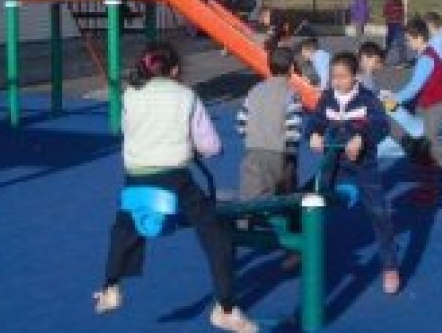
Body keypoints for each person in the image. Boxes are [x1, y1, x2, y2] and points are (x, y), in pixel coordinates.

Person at [94, 43, 256, 333]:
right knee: (215, 235)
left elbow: (129, 131)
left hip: (136, 177)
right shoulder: (186, 96)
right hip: (175, 180)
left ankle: (110, 287)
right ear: (176, 70)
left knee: (124, 227)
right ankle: (225, 308)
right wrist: (198, 149)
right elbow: (210, 145)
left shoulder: (130, 95)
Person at [306, 51, 401, 295]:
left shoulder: (367, 99)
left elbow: (381, 125)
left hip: (362, 165)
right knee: (313, 205)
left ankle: (390, 265)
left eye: (342, 77)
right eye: (333, 77)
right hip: (333, 163)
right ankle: (304, 249)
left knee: (378, 211)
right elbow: (316, 121)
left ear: (355, 76)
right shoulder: (327, 97)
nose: (337, 81)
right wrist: (314, 134)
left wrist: (361, 137)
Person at [393, 19, 442, 191]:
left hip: (438, 101)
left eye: (409, 39)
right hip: (428, 100)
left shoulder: (426, 59)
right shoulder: (425, 55)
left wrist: (394, 99)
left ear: (419, 38)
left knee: (431, 136)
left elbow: (414, 87)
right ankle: (431, 166)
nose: (407, 43)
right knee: (419, 133)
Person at [236, 47, 299, 200]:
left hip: (253, 151)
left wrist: (252, 139)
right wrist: (291, 156)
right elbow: (293, 131)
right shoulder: (290, 93)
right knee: (283, 195)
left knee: (251, 196)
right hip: (278, 153)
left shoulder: (255, 90)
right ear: (292, 68)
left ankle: (249, 214)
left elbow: (241, 123)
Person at [382, 0, 408, 66]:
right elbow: (385, 12)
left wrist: (387, 15)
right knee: (389, 43)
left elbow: (386, 12)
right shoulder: (394, 1)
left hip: (396, 24)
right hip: (392, 24)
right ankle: (382, 59)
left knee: (399, 43)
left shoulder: (394, 2)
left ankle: (402, 60)